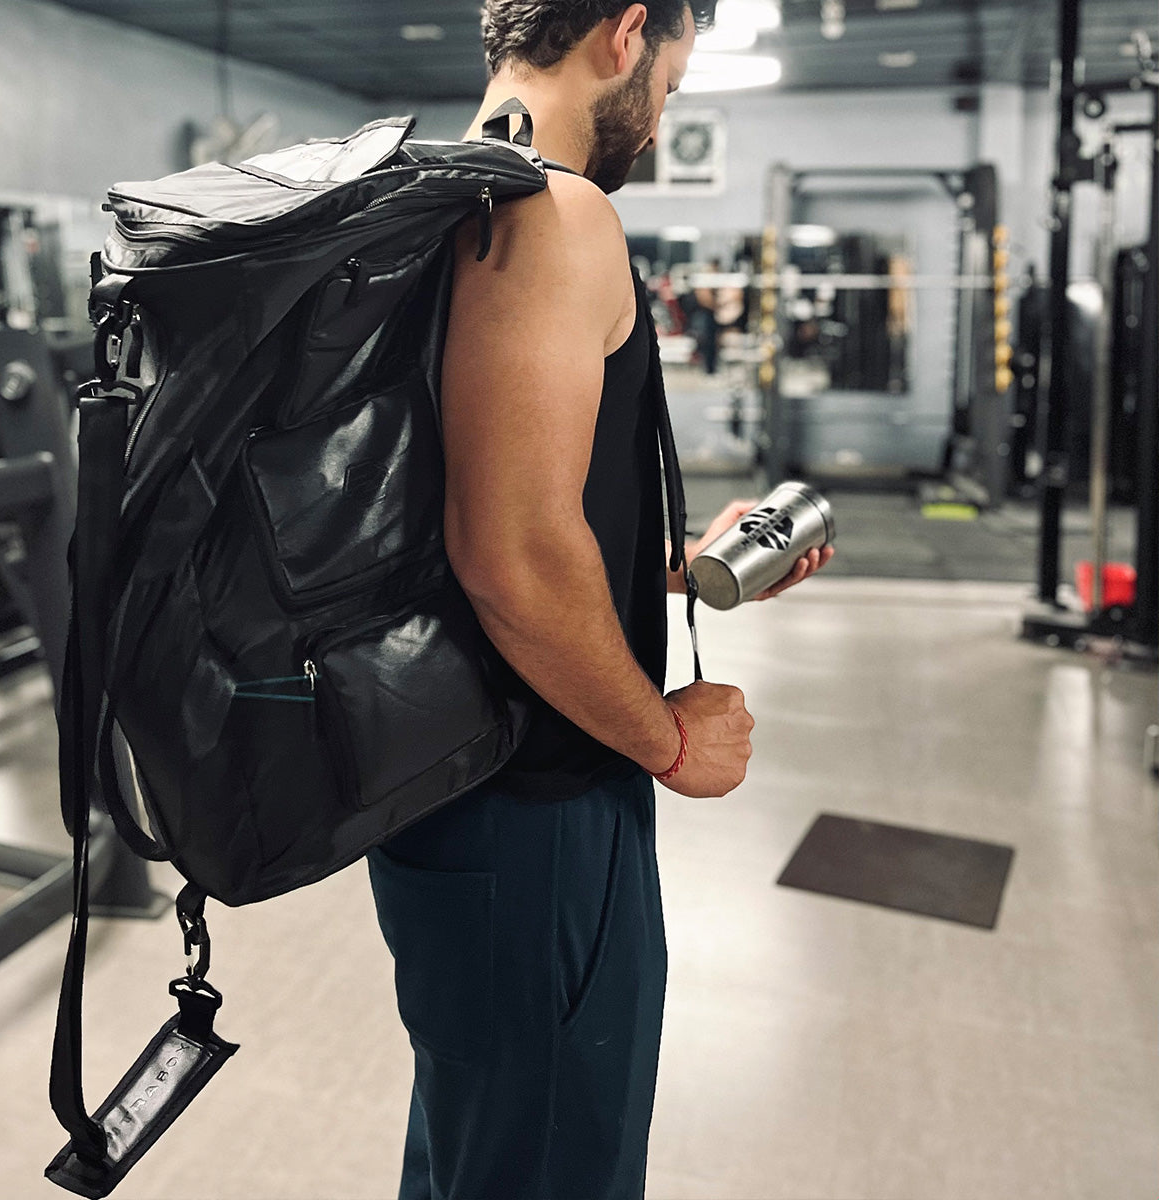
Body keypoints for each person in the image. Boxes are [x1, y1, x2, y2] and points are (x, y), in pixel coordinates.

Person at [365, 5, 834, 1198]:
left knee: (479, 1141)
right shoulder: (560, 212)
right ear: (628, 35)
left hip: (436, 774)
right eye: (672, 84)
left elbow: (464, 485)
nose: (661, 115)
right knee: (551, 1158)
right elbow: (513, 553)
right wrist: (667, 739)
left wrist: (675, 555)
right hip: (544, 800)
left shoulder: (421, 192)